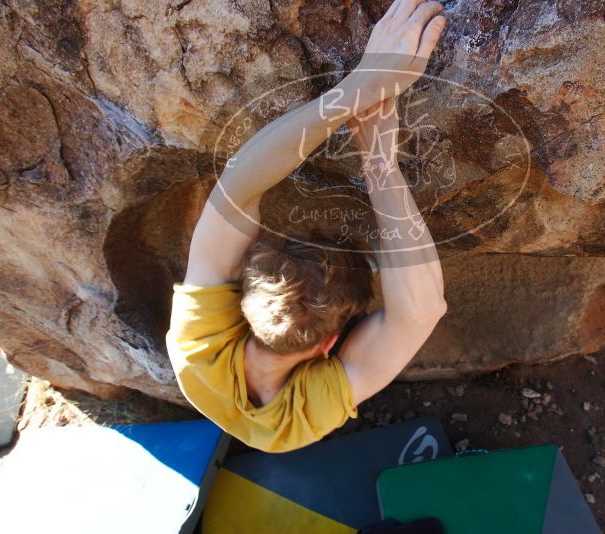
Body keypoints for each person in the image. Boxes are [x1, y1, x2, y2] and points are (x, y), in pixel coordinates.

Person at [165, 0, 448, 453]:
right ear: (330, 345)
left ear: (243, 301)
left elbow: (236, 184)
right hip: (272, 436)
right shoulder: (297, 423)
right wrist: (379, 165)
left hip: (207, 388)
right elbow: (422, 311)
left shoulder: (195, 351)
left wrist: (361, 86)